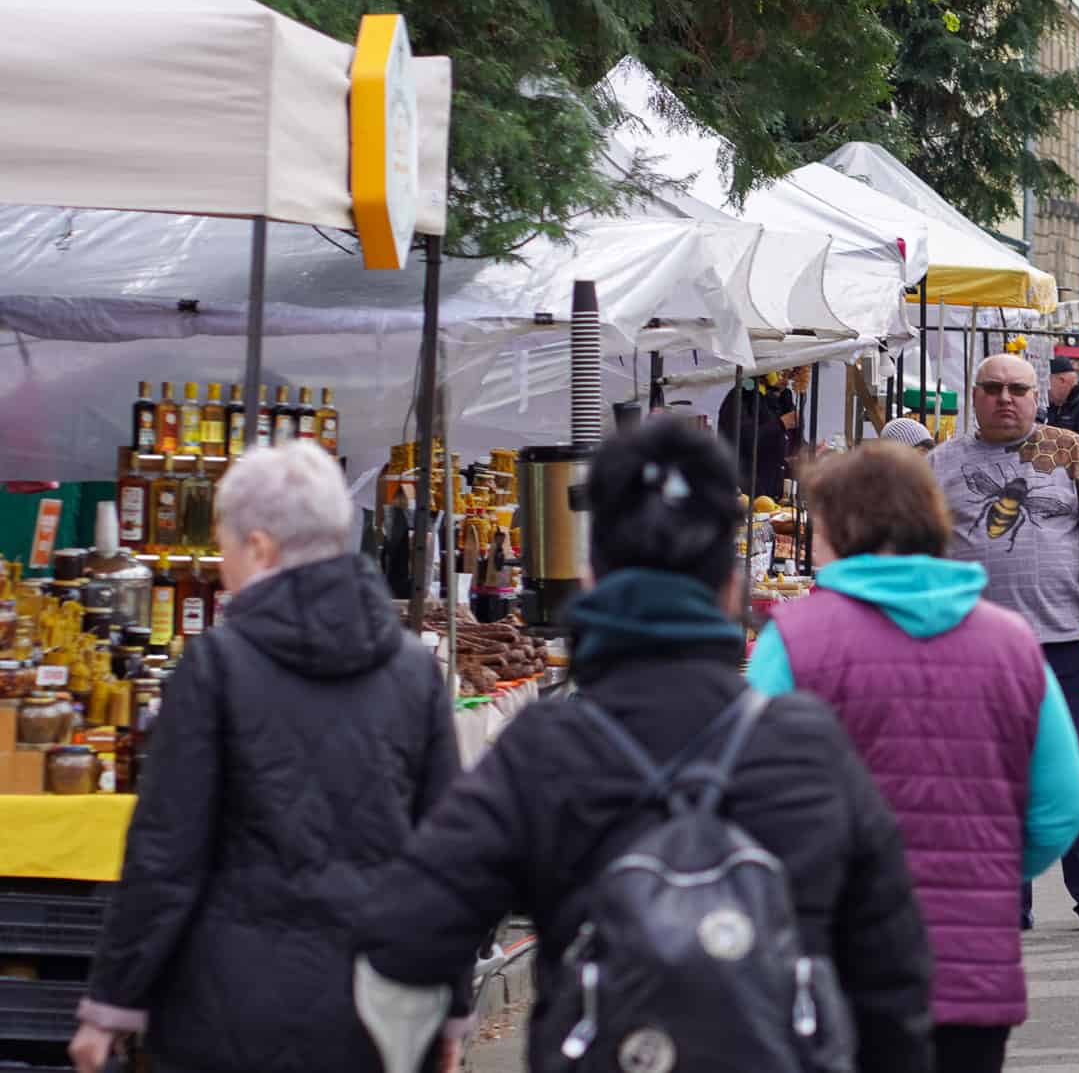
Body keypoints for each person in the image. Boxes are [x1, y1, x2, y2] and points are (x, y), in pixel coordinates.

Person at [357, 417, 933, 1069]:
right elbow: (894, 979)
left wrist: (435, 1041)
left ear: (592, 574)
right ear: (732, 588)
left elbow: (408, 935)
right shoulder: (807, 748)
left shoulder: (545, 749)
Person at [71, 444, 460, 1073]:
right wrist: (450, 1006)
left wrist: (111, 1003)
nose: (222, 568)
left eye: (224, 547)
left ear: (260, 548)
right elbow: (447, 860)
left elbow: (166, 853)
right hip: (376, 1011)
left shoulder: (216, 667)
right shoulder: (415, 672)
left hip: (225, 1013)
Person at [751, 444, 1079, 1073]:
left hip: (832, 957)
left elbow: (748, 801)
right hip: (970, 964)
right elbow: (1063, 805)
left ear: (839, 530)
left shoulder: (795, 642)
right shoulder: (1011, 642)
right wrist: (988, 868)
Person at [933, 353, 1079, 933]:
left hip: (1065, 642)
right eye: (991, 388)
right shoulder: (941, 465)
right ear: (973, 395)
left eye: (1016, 389)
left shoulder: (1072, 452)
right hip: (978, 649)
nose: (1004, 398)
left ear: (1037, 395)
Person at [719, 368, 802, 500]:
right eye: (782, 373)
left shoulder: (784, 397)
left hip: (777, 489)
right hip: (749, 488)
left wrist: (805, 449)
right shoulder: (741, 397)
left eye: (790, 374)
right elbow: (743, 440)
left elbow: (791, 439)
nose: (787, 379)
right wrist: (781, 424)